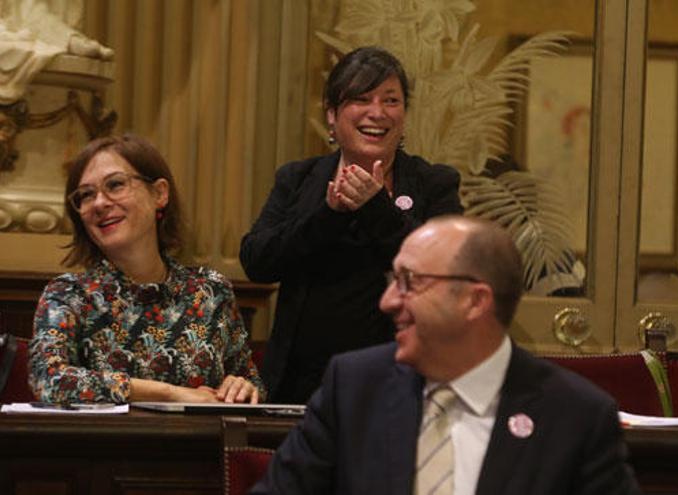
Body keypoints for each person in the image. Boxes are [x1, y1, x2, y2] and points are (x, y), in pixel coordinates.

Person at [250, 216, 641, 495]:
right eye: (392, 281)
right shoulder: (354, 388)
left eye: (408, 283)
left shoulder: (575, 417)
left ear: (475, 301)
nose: (387, 301)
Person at [240, 46, 463, 403]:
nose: (377, 113)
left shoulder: (434, 184)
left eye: (391, 100)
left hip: (401, 383)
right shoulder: (297, 179)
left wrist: (377, 208)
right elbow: (258, 261)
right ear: (332, 114)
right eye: (361, 99)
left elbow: (446, 269)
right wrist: (329, 214)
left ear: (404, 114)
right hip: (302, 388)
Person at [28, 134, 265, 404]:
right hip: (104, 446)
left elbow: (251, 380)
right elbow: (48, 380)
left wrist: (241, 385)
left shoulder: (210, 291)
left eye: (115, 185)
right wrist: (169, 394)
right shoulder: (68, 295)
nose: (99, 203)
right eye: (86, 195)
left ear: (160, 194)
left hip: (198, 445)